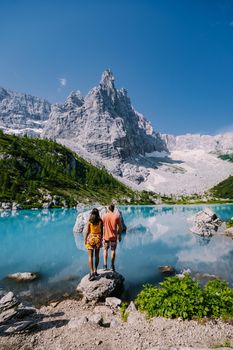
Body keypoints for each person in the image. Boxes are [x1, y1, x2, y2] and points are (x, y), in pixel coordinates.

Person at [85, 208, 103, 281]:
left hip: (91, 239)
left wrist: (85, 239)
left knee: (90, 256)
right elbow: (102, 231)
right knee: (97, 256)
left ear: (92, 213)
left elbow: (87, 231)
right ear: (98, 213)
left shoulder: (90, 221)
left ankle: (91, 272)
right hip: (98, 238)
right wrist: (101, 238)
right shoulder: (100, 221)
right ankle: (95, 271)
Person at [102, 204, 122, 272]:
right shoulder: (117, 216)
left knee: (105, 250)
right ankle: (112, 266)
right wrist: (119, 235)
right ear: (113, 209)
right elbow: (120, 227)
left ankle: (105, 265)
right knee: (113, 250)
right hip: (113, 237)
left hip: (106, 237)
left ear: (108, 209)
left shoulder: (104, 216)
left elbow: (102, 225)